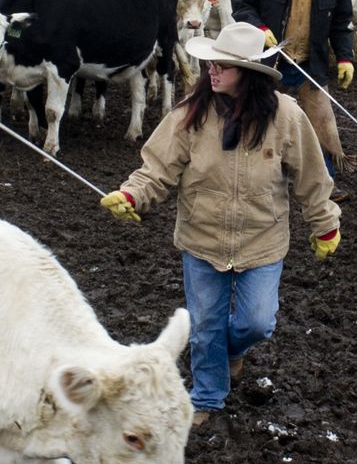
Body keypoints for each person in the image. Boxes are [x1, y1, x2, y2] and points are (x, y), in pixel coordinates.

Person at [101, 21, 340, 425]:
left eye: (222, 66)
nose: (211, 70)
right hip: (202, 239)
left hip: (262, 241)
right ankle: (207, 398)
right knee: (206, 324)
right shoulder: (188, 116)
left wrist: (325, 224)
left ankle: (234, 352)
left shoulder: (286, 117)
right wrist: (131, 195)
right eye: (210, 63)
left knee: (256, 323)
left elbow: (312, 178)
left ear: (247, 74)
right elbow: (155, 170)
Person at [229, 0, 355, 178]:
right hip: (270, 62)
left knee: (323, 124)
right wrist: (260, 29)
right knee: (255, 115)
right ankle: (244, 170)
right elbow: (241, 4)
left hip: (312, 65)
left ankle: (325, 180)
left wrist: (345, 58)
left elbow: (342, 23)